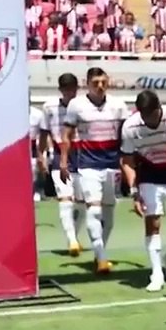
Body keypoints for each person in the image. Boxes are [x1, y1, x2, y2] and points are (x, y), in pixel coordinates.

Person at [59, 67, 128, 274]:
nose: (100, 86)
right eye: (95, 82)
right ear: (87, 83)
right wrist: (63, 162)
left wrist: (128, 166)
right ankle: (101, 258)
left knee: (109, 212)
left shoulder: (118, 105)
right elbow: (67, 135)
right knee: (94, 209)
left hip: (112, 165)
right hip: (88, 165)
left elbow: (126, 136)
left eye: (103, 82)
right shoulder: (76, 105)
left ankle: (100, 251)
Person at [118, 90, 166, 292]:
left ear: (159, 109)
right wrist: (134, 190)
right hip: (150, 174)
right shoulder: (130, 126)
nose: (149, 120)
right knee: (152, 222)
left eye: (153, 115)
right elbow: (127, 160)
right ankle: (156, 273)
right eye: (145, 116)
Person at [37, 73, 83, 254]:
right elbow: (43, 133)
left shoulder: (82, 106)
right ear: (60, 90)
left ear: (77, 89)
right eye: (66, 89)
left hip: (82, 155)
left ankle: (75, 236)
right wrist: (41, 155)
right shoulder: (49, 108)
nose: (69, 93)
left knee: (82, 201)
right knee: (65, 198)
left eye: (72, 89)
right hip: (58, 153)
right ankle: (71, 240)